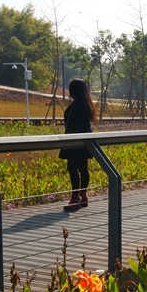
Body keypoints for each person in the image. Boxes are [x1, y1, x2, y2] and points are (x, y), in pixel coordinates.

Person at [58, 79, 97, 211]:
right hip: (84, 141)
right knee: (82, 168)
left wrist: (67, 142)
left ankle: (75, 198)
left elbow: (73, 125)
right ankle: (83, 195)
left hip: (75, 142)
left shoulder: (78, 105)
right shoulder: (85, 104)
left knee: (72, 168)